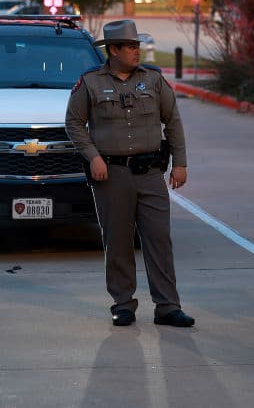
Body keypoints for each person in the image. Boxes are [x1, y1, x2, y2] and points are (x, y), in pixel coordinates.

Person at [65, 19, 195, 328]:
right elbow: (73, 123)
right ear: (113, 50)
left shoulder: (152, 80)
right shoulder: (91, 83)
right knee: (119, 241)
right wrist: (93, 156)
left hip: (150, 173)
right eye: (131, 47)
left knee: (159, 239)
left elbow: (172, 120)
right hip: (111, 175)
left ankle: (167, 306)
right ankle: (122, 304)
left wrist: (180, 162)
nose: (137, 52)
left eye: (137, 46)